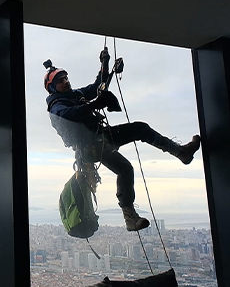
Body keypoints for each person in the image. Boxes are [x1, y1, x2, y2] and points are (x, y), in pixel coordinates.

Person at [44, 49, 201, 232]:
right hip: (91, 147)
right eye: (60, 81)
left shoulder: (73, 95)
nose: (65, 82)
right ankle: (130, 216)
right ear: (53, 87)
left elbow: (97, 87)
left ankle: (180, 153)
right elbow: (70, 115)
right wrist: (96, 104)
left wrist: (105, 64)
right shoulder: (56, 106)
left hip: (101, 139)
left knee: (135, 143)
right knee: (129, 158)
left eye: (65, 78)